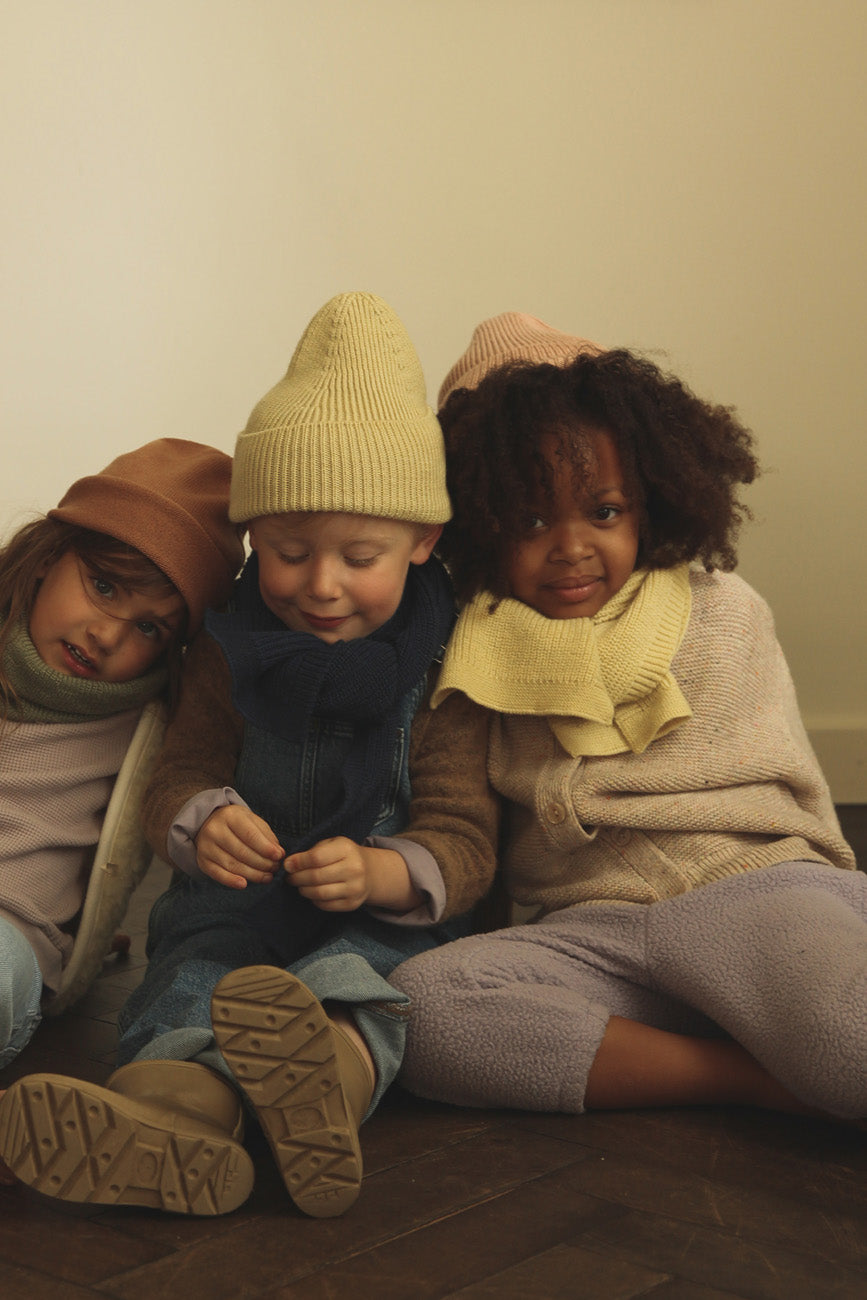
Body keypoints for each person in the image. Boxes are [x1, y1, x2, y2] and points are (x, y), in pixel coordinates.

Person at [0, 291, 467, 1219]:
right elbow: (180, 770)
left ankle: (321, 1081)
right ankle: (170, 1109)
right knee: (192, 968)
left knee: (364, 985)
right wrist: (204, 820)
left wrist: (386, 871)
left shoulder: (453, 658)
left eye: (358, 557)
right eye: (289, 551)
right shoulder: (225, 648)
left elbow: (466, 824)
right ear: (254, 539)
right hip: (238, 897)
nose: (321, 586)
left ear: (424, 541)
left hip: (379, 909)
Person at [384, 310, 865, 1124]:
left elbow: (773, 790)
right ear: (477, 523)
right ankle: (747, 1076)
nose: (571, 546)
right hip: (596, 934)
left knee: (848, 1047)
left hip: (751, 898)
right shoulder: (471, 653)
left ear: (651, 498)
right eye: (530, 520)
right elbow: (479, 829)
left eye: (602, 511)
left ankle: (799, 1044)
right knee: (419, 1009)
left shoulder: (719, 607)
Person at [0, 438, 243, 1076]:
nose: (106, 634)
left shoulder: (147, 722)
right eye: (103, 586)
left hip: (11, 932)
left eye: (149, 627)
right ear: (48, 555)